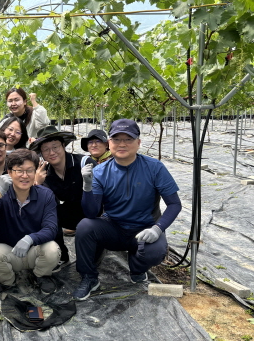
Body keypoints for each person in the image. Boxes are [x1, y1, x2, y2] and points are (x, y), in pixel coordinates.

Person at [73, 119, 182, 300]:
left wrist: (158, 228)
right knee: (85, 226)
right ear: (109, 143)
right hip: (114, 227)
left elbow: (174, 204)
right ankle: (89, 277)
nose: (122, 144)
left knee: (155, 252)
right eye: (116, 139)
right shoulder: (100, 172)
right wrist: (87, 186)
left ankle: (138, 268)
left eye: (128, 139)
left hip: (145, 229)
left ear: (138, 142)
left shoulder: (154, 168)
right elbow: (91, 213)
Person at [0, 149, 60, 295]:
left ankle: (40, 275)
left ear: (35, 172)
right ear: (9, 173)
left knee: (52, 249)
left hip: (35, 250)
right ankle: (7, 281)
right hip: (9, 252)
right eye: (19, 171)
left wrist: (30, 239)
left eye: (30, 170)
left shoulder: (45, 195)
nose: (25, 175)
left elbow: (51, 228)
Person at [31, 125, 89, 264]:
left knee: (89, 258)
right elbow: (39, 203)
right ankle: (61, 254)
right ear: (41, 153)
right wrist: (37, 184)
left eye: (55, 147)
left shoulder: (83, 163)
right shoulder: (44, 172)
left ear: (63, 146)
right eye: (46, 149)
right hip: (68, 213)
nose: (51, 152)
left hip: (91, 213)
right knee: (46, 214)